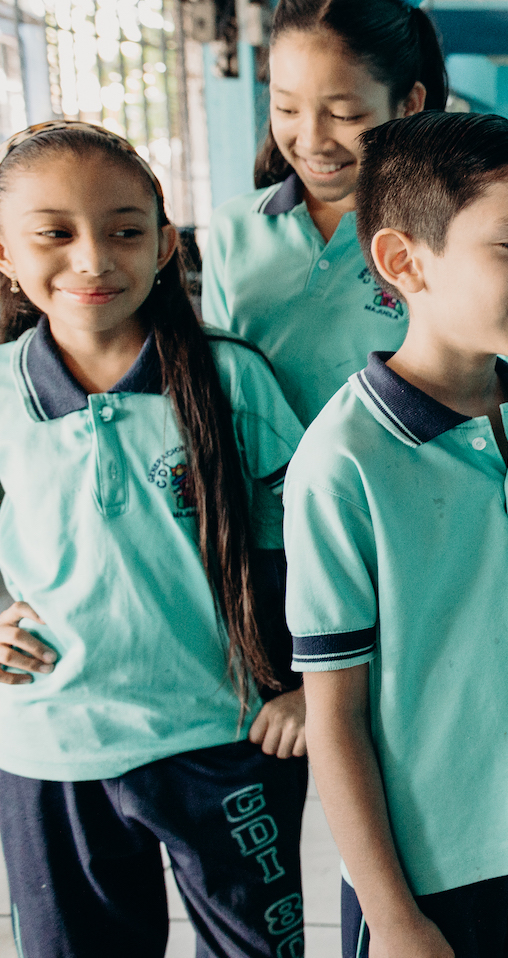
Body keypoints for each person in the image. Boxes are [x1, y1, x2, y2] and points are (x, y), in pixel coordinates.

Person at [285, 111, 508, 958]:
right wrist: (393, 917)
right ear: (404, 262)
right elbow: (336, 716)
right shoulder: (343, 461)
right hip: (422, 875)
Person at [0, 121, 308, 956]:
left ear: (166, 245)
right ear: (4, 253)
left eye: (125, 231)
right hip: (53, 743)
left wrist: (305, 686)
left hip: (230, 735)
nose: (94, 259)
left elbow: (308, 554)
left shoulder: (230, 378)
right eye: (55, 233)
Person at [203, 0, 447, 426]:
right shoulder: (235, 229)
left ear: (408, 105)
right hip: (261, 501)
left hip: (388, 497)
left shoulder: (442, 235)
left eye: (343, 114)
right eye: (287, 109)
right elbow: (219, 383)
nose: (312, 140)